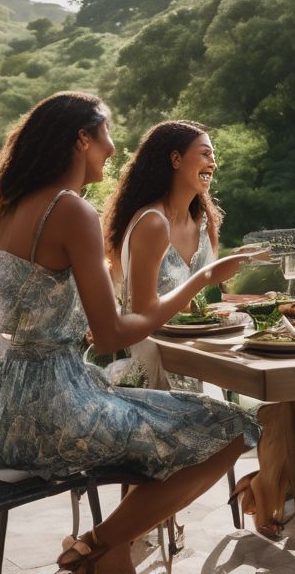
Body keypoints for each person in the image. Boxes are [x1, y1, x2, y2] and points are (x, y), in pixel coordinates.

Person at [0, 93, 260, 574]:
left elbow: (38, 307)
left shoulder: (14, 206)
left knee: (169, 423)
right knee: (236, 428)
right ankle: (95, 545)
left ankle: (110, 557)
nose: (111, 148)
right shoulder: (72, 211)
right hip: (58, 411)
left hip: (10, 411)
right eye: (105, 135)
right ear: (81, 139)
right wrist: (199, 281)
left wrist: (76, 326)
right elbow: (113, 336)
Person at [103, 120, 231, 391]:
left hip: (194, 352)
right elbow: (140, 312)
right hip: (155, 363)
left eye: (214, 156)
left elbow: (201, 301)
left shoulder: (205, 221)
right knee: (234, 425)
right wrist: (207, 277)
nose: (213, 163)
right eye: (205, 153)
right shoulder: (152, 222)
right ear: (176, 158)